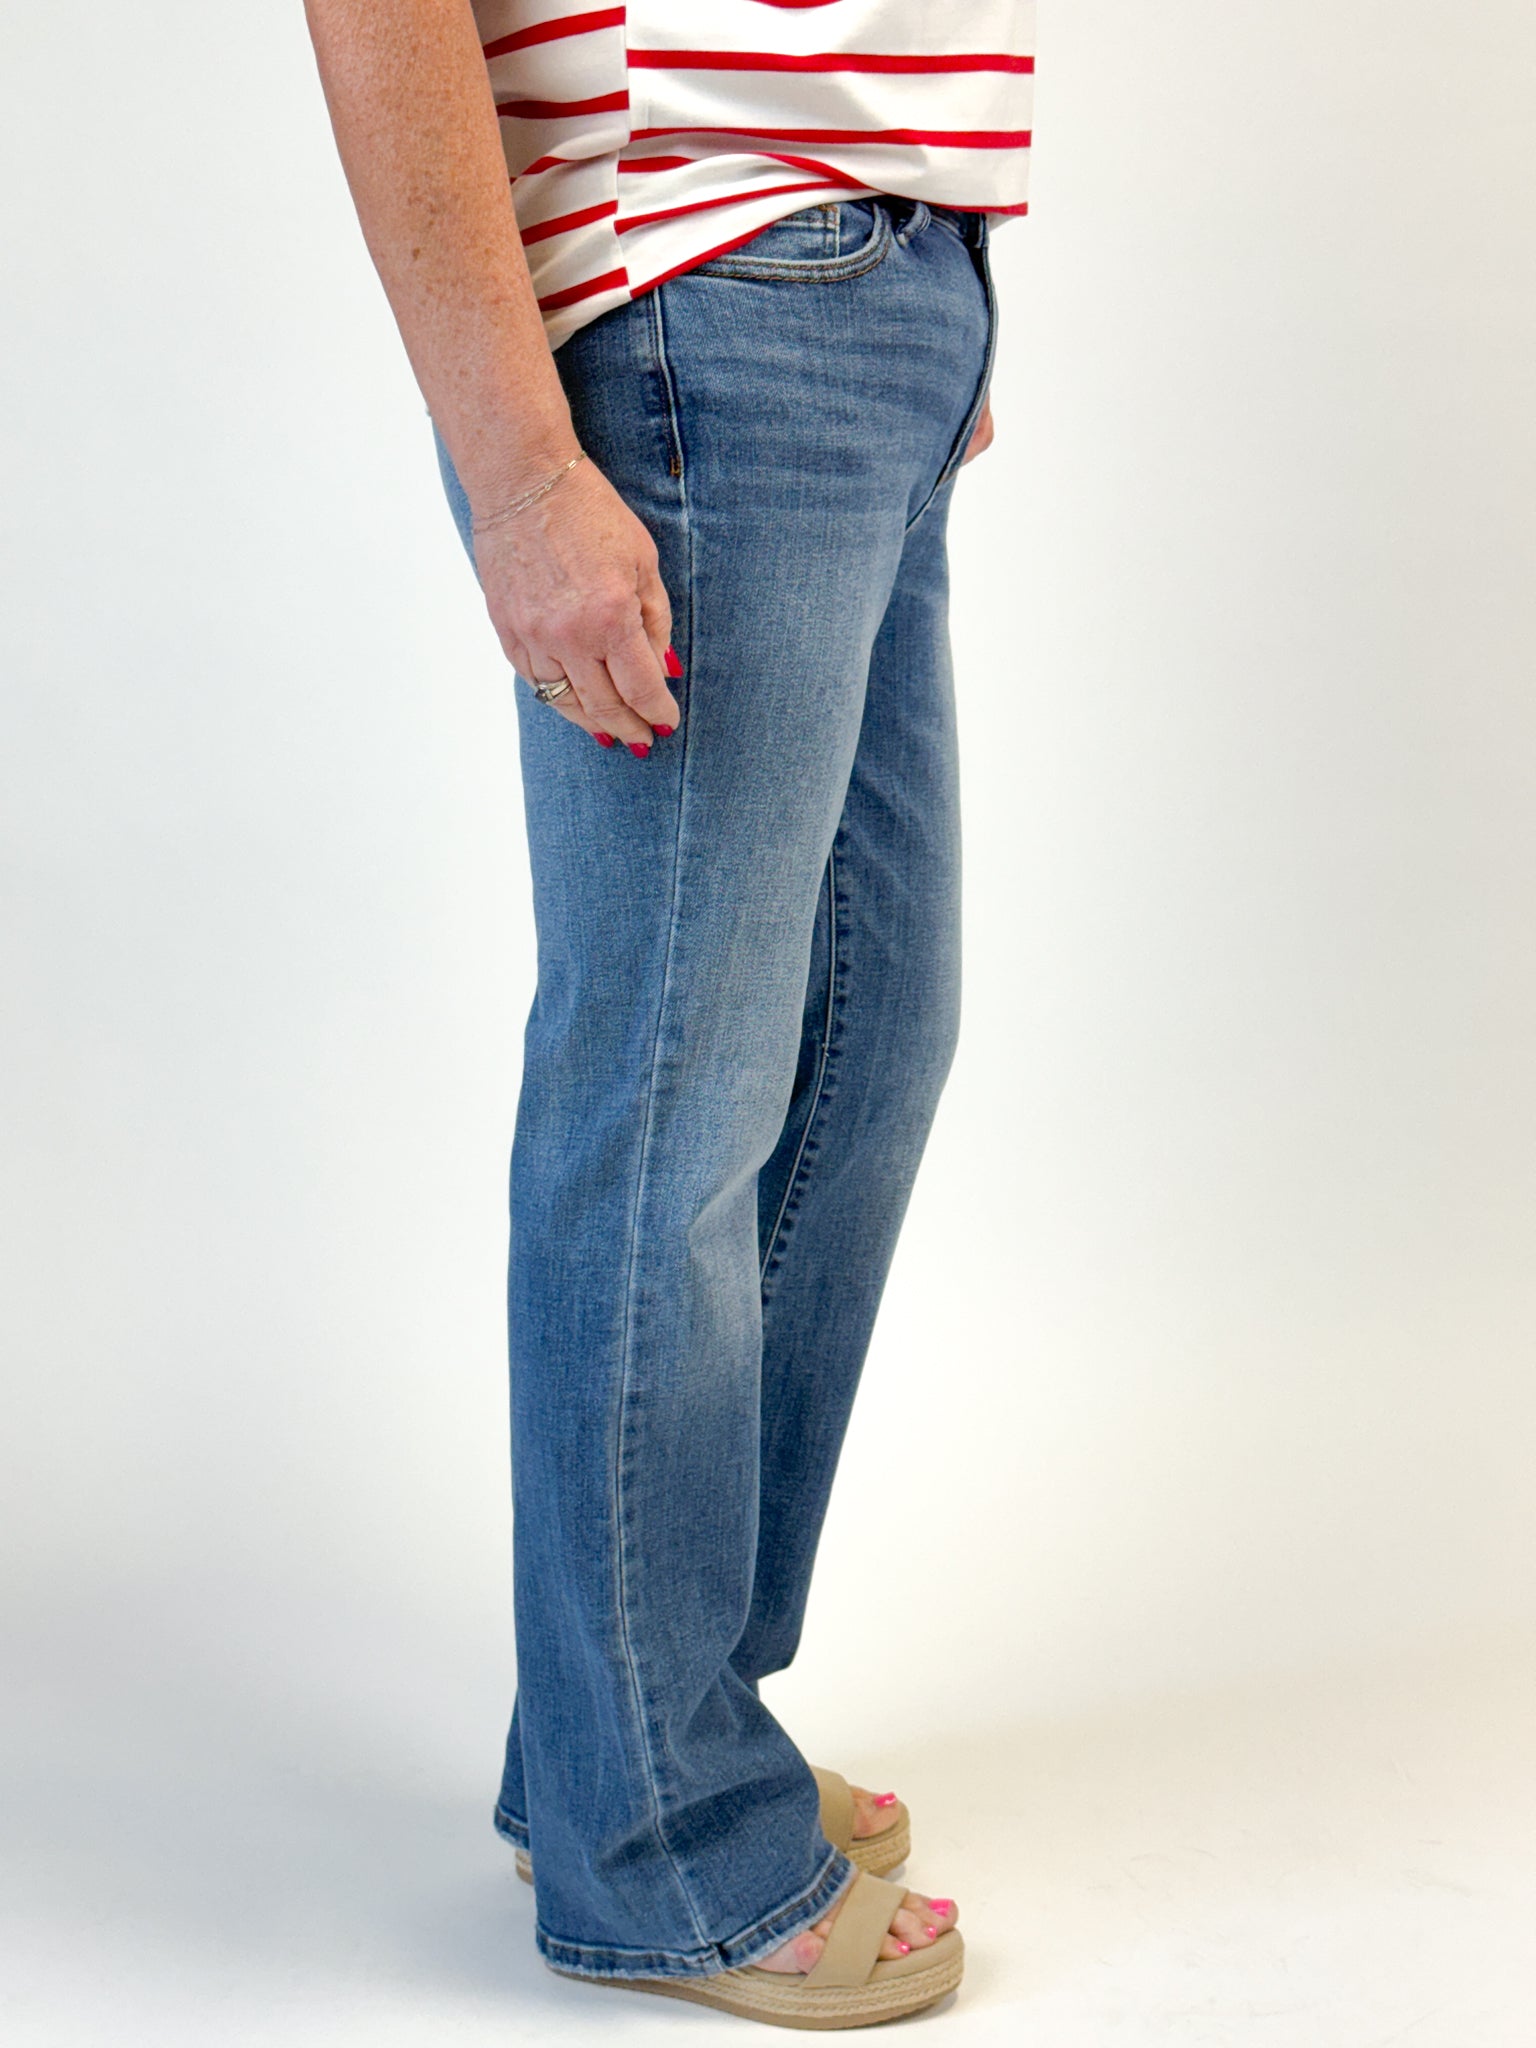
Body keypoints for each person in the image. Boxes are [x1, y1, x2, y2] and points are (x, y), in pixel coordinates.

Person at [303, 0, 1035, 2026]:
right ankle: (656, 1835)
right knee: (672, 1089)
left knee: (870, 1033)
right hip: (698, 281)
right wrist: (519, 469)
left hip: (878, 267)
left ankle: (632, 1719)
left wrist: (939, 253)